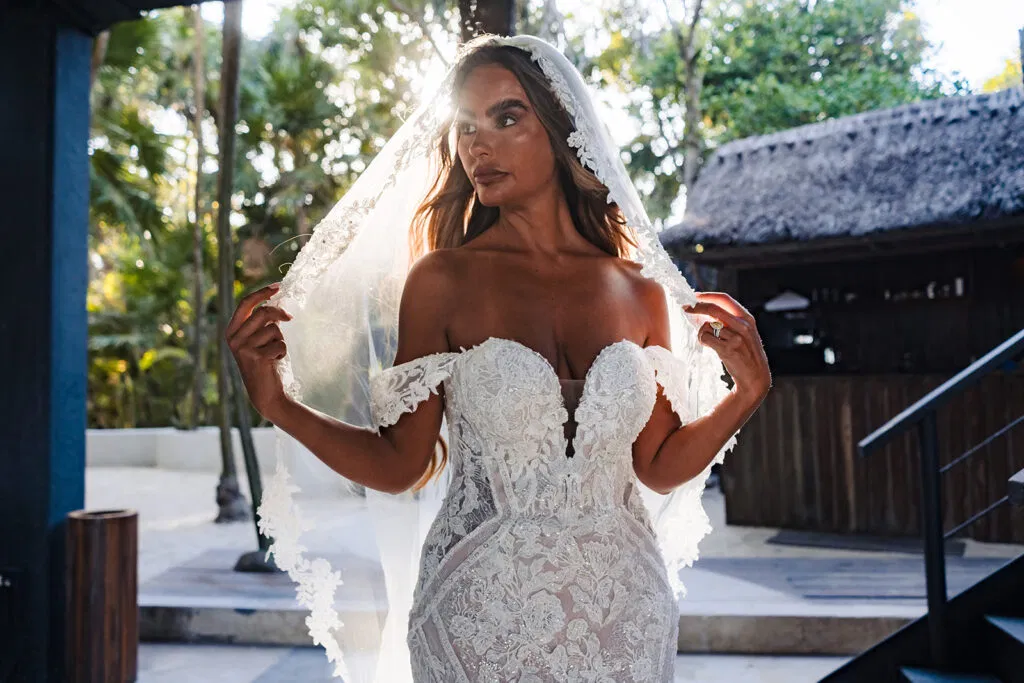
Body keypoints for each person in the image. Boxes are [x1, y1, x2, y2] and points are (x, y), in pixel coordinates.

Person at [227, 34, 770, 683]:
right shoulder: (443, 281)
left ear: (563, 129)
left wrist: (744, 396)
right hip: (482, 616)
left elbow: (655, 466)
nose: (477, 145)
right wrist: (277, 404)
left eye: (506, 117)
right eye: (465, 126)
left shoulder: (640, 290)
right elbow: (401, 463)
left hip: (625, 615)